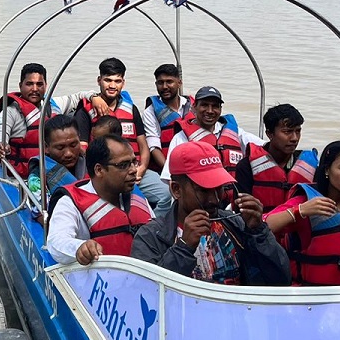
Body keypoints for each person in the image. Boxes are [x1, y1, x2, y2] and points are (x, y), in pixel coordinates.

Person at [132, 141, 290, 286]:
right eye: (204, 190)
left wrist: (259, 232)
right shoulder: (150, 236)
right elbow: (146, 293)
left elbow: (281, 279)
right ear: (176, 189)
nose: (214, 199)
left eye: (219, 188)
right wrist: (184, 247)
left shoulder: (236, 224)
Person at [265, 140, 340, 285]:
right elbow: (262, 227)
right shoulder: (305, 202)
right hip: (310, 297)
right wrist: (301, 211)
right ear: (327, 170)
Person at [74, 57, 170, 215]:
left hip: (135, 170)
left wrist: (142, 168)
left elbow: (143, 145)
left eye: (117, 81)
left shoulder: (131, 109)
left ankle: (152, 231)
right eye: (108, 80)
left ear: (123, 83)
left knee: (168, 194)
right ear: (99, 80)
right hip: (107, 173)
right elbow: (83, 149)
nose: (112, 86)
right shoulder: (86, 111)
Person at [45, 135, 152, 266]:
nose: (133, 170)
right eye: (123, 165)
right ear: (99, 170)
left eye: (134, 163)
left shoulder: (136, 196)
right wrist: (80, 247)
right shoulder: (69, 203)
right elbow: (56, 242)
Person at [0, 64, 110, 178]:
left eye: (39, 84)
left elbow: (79, 96)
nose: (34, 89)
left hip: (57, 171)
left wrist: (94, 97)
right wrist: (1, 145)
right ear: (20, 85)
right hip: (24, 175)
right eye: (29, 84)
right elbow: (0, 132)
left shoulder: (53, 104)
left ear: (45, 85)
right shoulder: (11, 112)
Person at [235, 103, 318, 212]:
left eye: (298, 131)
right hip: (261, 226)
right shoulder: (246, 167)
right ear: (270, 134)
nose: (294, 138)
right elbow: (240, 212)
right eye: (287, 131)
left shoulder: (310, 167)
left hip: (299, 226)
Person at [162, 86, 251, 176]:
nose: (210, 111)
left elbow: (262, 147)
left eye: (215, 106)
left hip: (234, 188)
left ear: (220, 109)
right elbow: (169, 177)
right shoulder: (181, 138)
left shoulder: (235, 133)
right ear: (194, 107)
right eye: (204, 105)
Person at [26, 114, 87, 208]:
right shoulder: (38, 176)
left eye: (73, 145)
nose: (68, 153)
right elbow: (42, 215)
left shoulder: (92, 162)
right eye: (60, 147)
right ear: (46, 147)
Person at [142, 63, 193, 172]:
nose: (165, 87)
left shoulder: (193, 106)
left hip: (194, 162)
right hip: (167, 166)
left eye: (169, 82)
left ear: (179, 83)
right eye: (160, 83)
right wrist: (169, 172)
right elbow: (154, 147)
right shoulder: (150, 112)